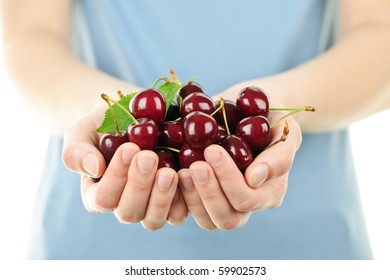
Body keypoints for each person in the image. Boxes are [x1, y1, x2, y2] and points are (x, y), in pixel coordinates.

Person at [1, 0, 389, 260]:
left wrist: (276, 107)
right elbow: (27, 36)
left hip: (307, 249)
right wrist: (114, 115)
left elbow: (380, 33)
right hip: (93, 251)